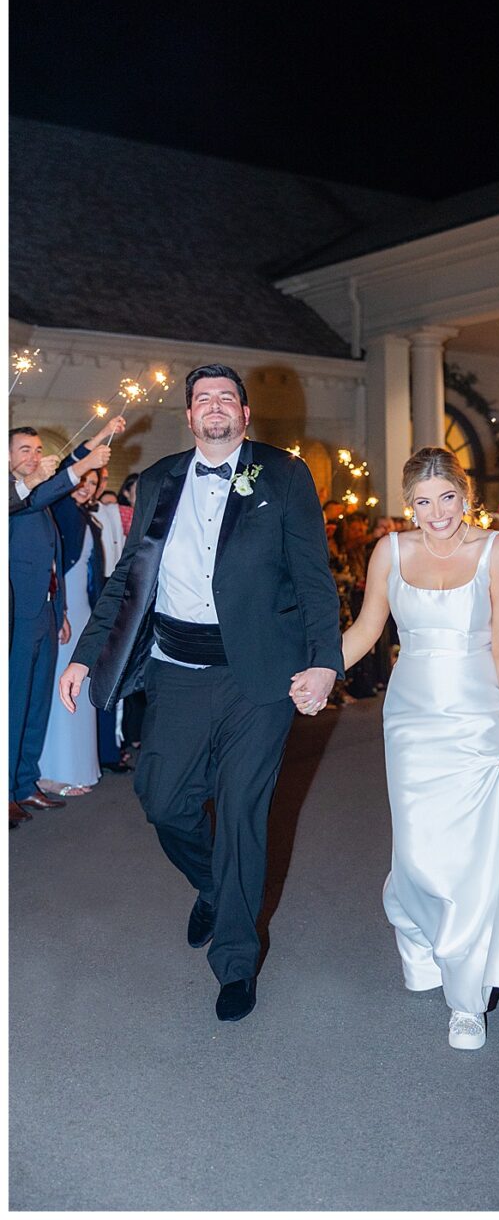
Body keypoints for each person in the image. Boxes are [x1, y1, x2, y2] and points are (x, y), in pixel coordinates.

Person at [59, 366, 342, 1024]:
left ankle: (236, 962)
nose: (213, 407)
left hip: (261, 677)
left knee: (243, 813)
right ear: (189, 417)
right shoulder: (160, 478)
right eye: (201, 399)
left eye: (225, 397)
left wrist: (324, 663)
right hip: (176, 670)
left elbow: (313, 575)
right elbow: (130, 577)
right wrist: (85, 654)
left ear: (244, 413)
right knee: (162, 801)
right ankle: (214, 886)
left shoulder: (283, 474)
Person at [339, 448, 499, 1049]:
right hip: (410, 723)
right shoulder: (390, 550)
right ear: (407, 505)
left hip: (476, 721)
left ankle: (466, 1001)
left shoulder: (498, 551)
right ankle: (417, 934)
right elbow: (366, 631)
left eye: (446, 498)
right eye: (422, 501)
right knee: (416, 854)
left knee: (469, 861)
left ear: (465, 497)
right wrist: (313, 672)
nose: (435, 513)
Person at [10, 421, 119, 821]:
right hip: (17, 617)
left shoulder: (37, 494)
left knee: (37, 706)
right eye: (24, 449)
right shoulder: (16, 495)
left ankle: (24, 785)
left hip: (45, 614)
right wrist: (86, 460)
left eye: (38, 450)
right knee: (14, 705)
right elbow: (59, 482)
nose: (34, 457)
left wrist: (59, 614)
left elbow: (53, 562)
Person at [37, 461, 106, 796]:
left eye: (92, 482)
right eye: (81, 480)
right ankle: (54, 771)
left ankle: (79, 768)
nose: (86, 487)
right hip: (63, 612)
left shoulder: (87, 519)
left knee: (81, 691)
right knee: (59, 692)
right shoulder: (62, 512)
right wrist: (60, 610)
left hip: (84, 613)